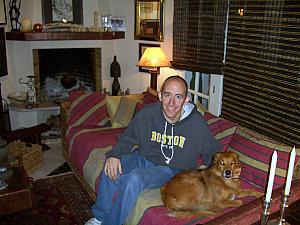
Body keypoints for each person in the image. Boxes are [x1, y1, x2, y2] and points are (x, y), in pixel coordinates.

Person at [85, 76, 220, 225]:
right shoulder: (147, 114)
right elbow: (127, 139)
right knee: (111, 166)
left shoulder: (196, 124)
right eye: (167, 95)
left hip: (172, 170)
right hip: (144, 158)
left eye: (178, 97)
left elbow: (214, 153)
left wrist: (207, 171)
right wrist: (115, 155)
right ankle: (99, 218)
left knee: (134, 178)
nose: (171, 103)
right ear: (160, 96)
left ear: (186, 99)